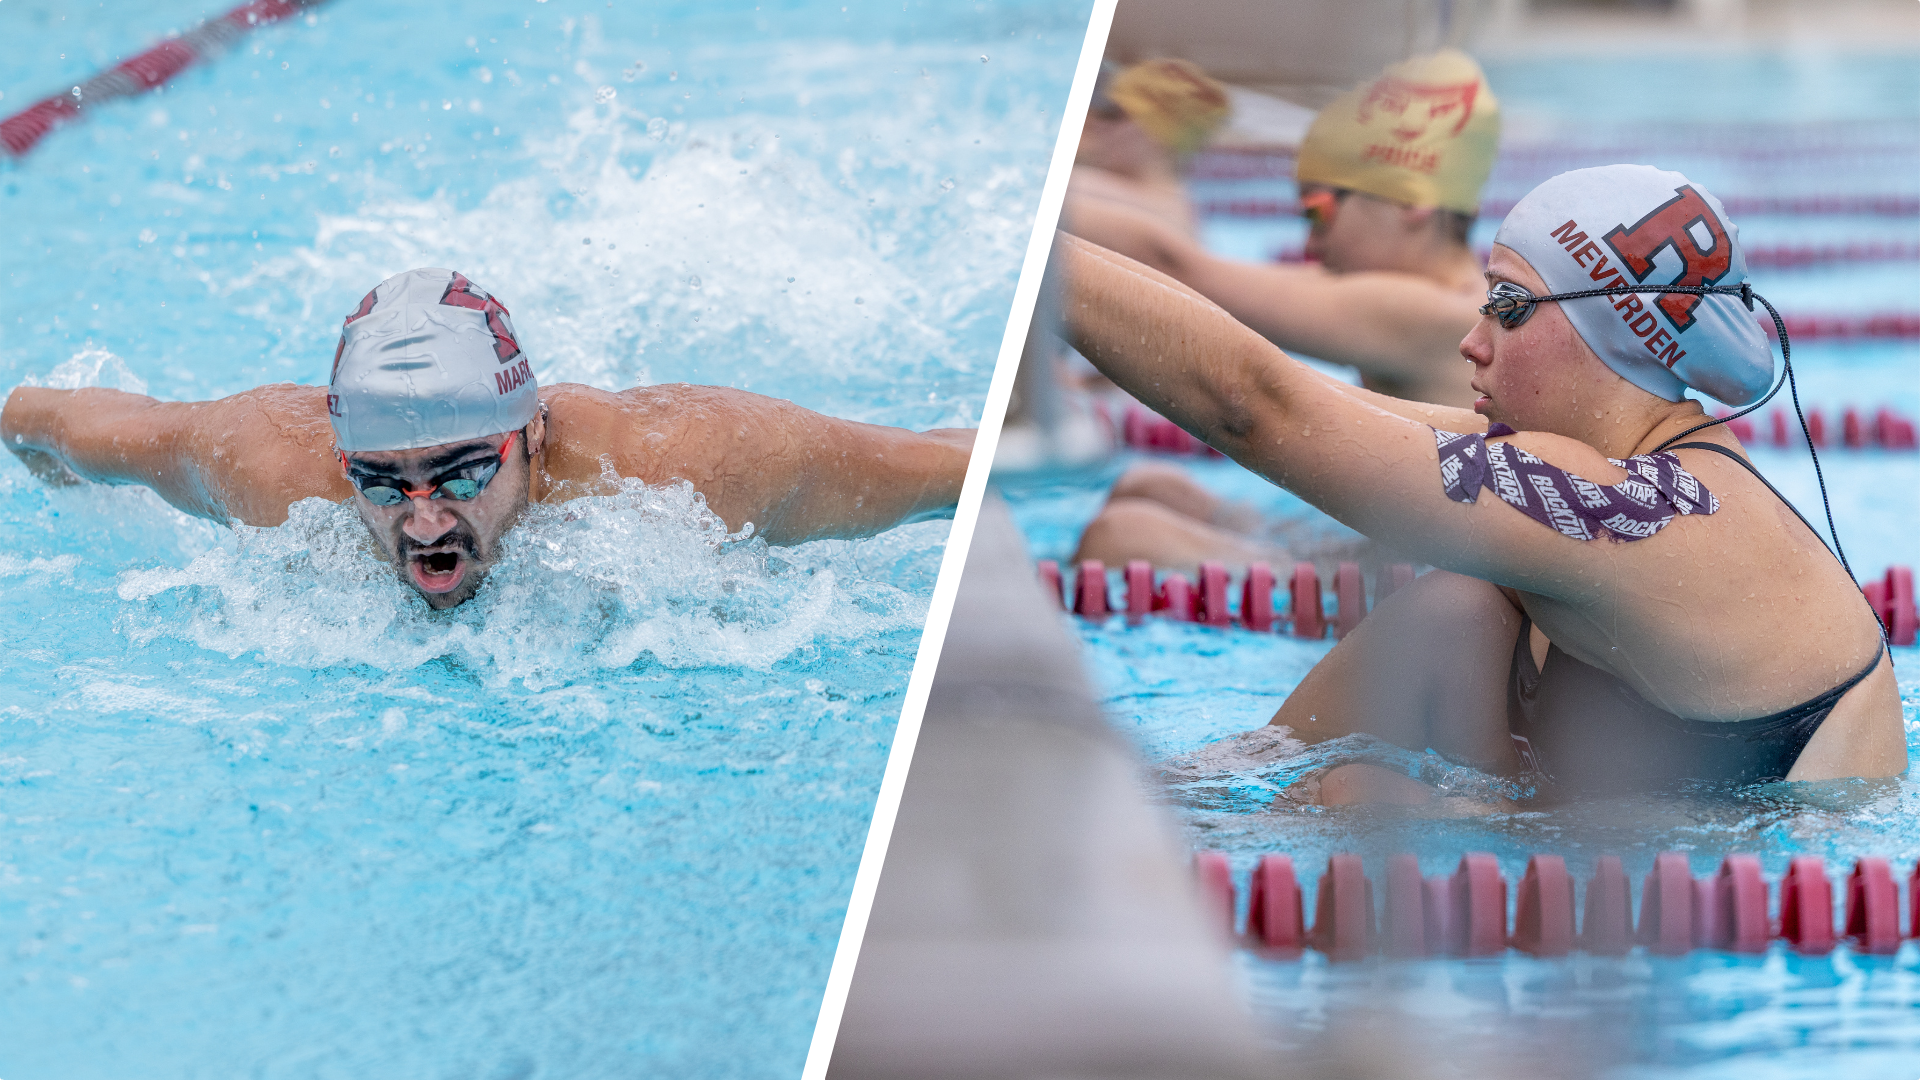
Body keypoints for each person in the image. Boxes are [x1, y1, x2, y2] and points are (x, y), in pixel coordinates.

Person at [1053, 164, 1905, 795]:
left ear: (1613, 330)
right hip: (1627, 812)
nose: (1471, 340)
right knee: (1456, 609)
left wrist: (1034, 258)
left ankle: (1155, 819)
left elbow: (1255, 407)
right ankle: (1185, 796)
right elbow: (1299, 400)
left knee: (1360, 797)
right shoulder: (1629, 469)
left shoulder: (1629, 511)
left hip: (1743, 875)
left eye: (1508, 306)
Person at [3, 268, 973, 610]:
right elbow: (43, 421)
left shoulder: (681, 468)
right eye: (382, 481)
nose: (424, 515)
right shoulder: (261, 467)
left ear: (534, 435)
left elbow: (956, 470)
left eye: (464, 471)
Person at [1068, 49, 1501, 573]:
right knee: (1152, 486)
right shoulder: (1425, 292)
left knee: (1120, 536)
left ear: (1411, 201)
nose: (1312, 246)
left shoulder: (1421, 311)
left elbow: (1176, 266)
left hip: (1415, 585)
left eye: (1318, 213)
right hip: (1392, 545)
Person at [1068, 59, 1231, 239]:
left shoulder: (1159, 213)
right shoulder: (1172, 205)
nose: (1098, 124)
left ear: (1158, 133)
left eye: (1114, 115)